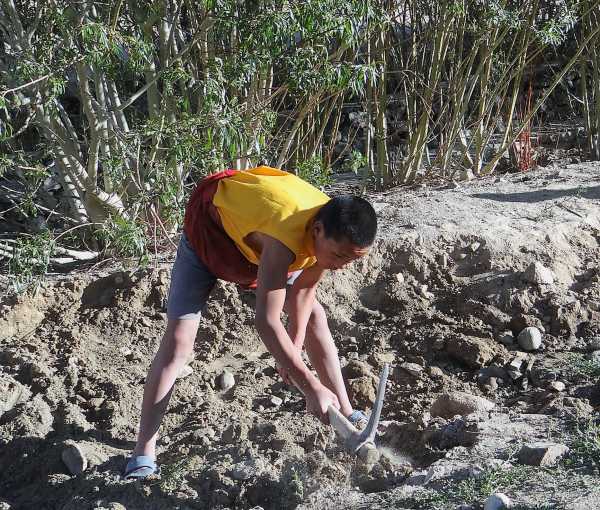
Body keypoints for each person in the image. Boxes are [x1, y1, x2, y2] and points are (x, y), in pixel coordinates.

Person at [124, 165, 378, 478]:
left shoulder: (329, 229)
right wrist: (310, 385)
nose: (341, 266)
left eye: (351, 260)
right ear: (317, 231)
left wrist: (293, 354)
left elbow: (303, 295)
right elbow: (267, 321)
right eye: (339, 256)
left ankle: (347, 413)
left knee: (314, 315)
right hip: (209, 237)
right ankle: (142, 452)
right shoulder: (286, 235)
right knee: (179, 342)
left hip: (254, 247)